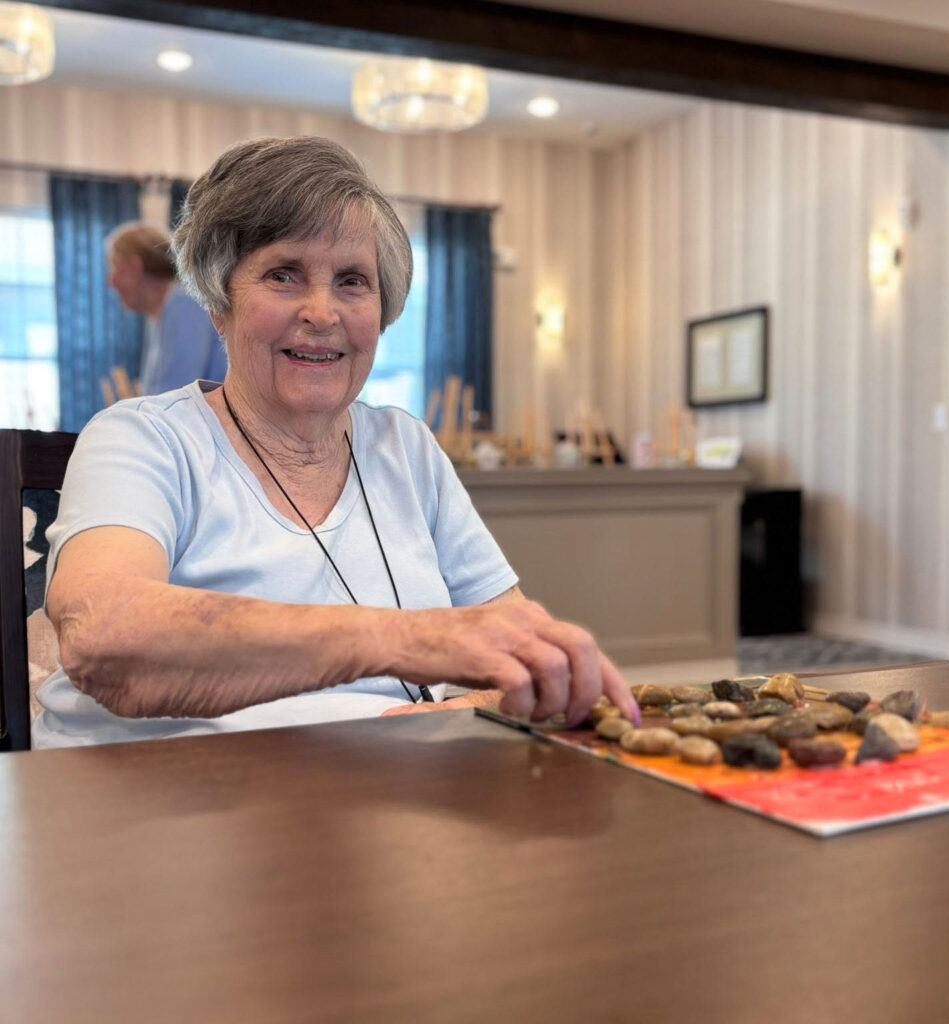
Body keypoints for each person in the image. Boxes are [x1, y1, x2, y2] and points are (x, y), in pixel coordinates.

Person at [35, 135, 639, 748]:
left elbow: (513, 650)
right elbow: (102, 634)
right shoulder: (142, 438)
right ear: (220, 303)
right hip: (154, 802)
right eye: (283, 274)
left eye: (353, 281)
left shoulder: (408, 449)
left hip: (374, 796)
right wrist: (411, 641)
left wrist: (451, 711)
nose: (322, 312)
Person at [107, 222, 228, 393]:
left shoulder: (185, 306)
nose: (111, 281)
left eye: (115, 268)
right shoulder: (165, 310)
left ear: (135, 268)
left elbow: (173, 399)